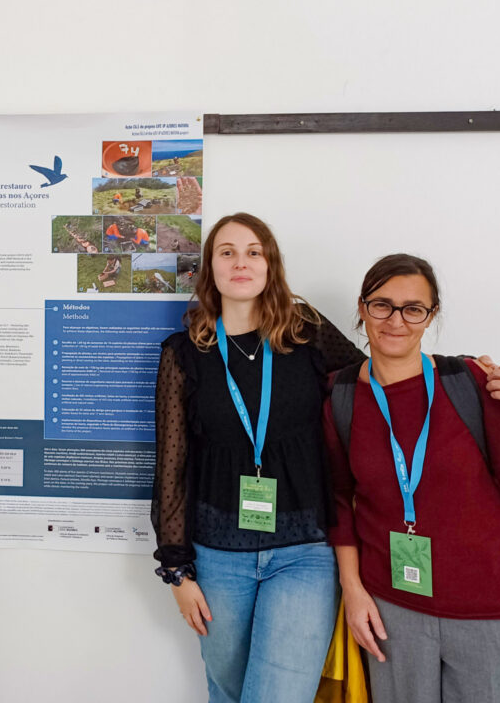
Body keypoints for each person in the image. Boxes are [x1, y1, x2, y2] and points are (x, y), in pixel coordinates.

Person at [324, 253, 500, 703]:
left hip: (495, 612)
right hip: (393, 611)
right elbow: (339, 500)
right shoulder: (340, 395)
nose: (396, 320)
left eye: (413, 308)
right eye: (382, 305)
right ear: (362, 308)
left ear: (431, 315)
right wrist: (353, 591)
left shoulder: (470, 381)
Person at [152, 211, 364, 703]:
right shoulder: (183, 353)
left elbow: (378, 383)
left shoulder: (307, 332)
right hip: (217, 555)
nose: (240, 263)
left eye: (254, 252)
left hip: (304, 551)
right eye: (226, 252)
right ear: (210, 268)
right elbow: (171, 466)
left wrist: (454, 371)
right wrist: (176, 571)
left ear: (271, 265)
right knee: (227, 693)